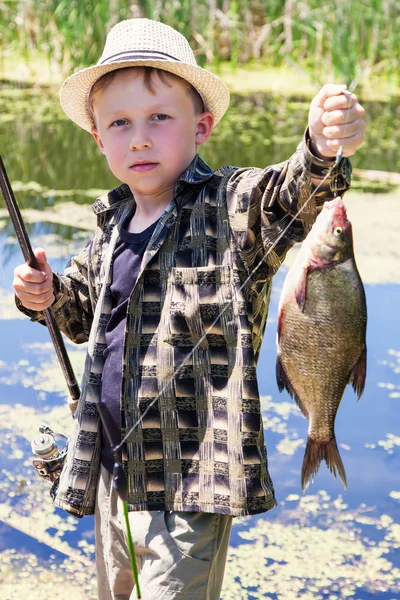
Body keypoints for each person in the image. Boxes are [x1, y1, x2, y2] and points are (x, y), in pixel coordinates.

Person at [13, 17, 365, 600]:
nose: (140, 138)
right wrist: (42, 294)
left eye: (159, 118)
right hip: (110, 471)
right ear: (99, 140)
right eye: (120, 124)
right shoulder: (108, 230)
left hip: (191, 485)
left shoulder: (230, 207)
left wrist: (323, 147)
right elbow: (74, 316)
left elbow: (290, 195)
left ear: (200, 127)